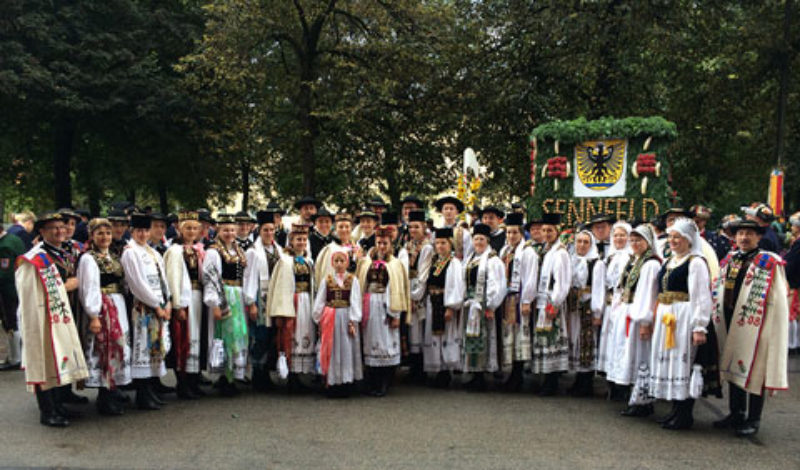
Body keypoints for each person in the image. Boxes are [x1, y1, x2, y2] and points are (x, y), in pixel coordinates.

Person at [711, 218, 789, 437]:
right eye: (740, 234)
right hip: (729, 319)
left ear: (758, 237)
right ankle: (736, 412)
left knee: (756, 372)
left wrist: (772, 327)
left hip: (758, 324)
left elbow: (779, 299)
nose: (744, 238)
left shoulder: (769, 262)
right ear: (735, 237)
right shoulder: (729, 259)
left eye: (749, 234)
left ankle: (754, 418)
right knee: (733, 366)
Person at [15, 212, 89, 426]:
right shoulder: (34, 259)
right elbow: (30, 293)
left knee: (61, 357)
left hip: (61, 314)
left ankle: (61, 401)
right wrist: (67, 286)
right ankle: (47, 411)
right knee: (44, 361)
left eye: (61, 227)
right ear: (42, 232)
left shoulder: (63, 251)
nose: (59, 231)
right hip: (41, 317)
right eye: (53, 228)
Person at [648, 217, 712, 430]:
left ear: (689, 239)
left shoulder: (695, 263)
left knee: (682, 362)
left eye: (678, 237)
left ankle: (685, 413)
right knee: (669, 361)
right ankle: (675, 410)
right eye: (671, 237)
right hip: (667, 315)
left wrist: (699, 326)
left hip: (683, 315)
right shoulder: (669, 261)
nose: (673, 241)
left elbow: (701, 296)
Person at [77, 218, 132, 415]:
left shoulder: (114, 256)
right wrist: (93, 315)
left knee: (118, 345)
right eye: (100, 233)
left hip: (118, 305)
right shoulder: (89, 259)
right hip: (102, 306)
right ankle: (104, 395)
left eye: (107, 233)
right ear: (92, 236)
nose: (105, 237)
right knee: (104, 347)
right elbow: (89, 288)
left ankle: (113, 388)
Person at [120, 212, 172, 410]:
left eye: (145, 230)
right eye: (139, 231)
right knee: (143, 349)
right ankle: (142, 393)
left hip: (159, 306)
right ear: (132, 231)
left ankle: (151, 389)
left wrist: (168, 301)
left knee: (155, 348)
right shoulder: (130, 252)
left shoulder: (153, 252)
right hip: (144, 308)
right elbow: (137, 284)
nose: (143, 234)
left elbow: (163, 279)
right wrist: (156, 305)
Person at [608, 225, 661, 417]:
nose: (635, 244)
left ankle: (643, 401)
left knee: (641, 358)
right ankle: (635, 398)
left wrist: (646, 322)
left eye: (639, 240)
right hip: (628, 313)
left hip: (639, 317)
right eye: (633, 240)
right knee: (630, 356)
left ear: (648, 242)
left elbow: (649, 295)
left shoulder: (650, 264)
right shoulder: (634, 260)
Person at [355, 225, 410, 397]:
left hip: (387, 308)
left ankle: (385, 381)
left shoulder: (395, 265)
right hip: (369, 306)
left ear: (390, 243)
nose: (382, 246)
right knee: (370, 343)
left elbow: (398, 290)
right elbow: (359, 285)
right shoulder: (365, 262)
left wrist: (396, 314)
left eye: (385, 243)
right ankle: (372, 380)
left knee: (386, 345)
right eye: (379, 243)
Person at [266, 223, 317, 392]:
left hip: (306, 303)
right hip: (292, 303)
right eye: (298, 239)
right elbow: (280, 287)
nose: (301, 242)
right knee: (291, 337)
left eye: (304, 239)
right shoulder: (285, 261)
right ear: (291, 241)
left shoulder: (309, 260)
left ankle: (300, 375)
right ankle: (292, 378)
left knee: (305, 336)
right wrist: (281, 310)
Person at [202, 213, 249, 396]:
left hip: (237, 295)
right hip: (225, 295)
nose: (229, 233)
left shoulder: (238, 250)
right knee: (224, 336)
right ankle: (224, 377)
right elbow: (211, 279)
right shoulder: (214, 252)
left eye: (231, 229)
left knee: (237, 337)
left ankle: (232, 375)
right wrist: (215, 304)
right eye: (225, 230)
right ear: (218, 231)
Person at [163, 211, 207, 399]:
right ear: (180, 229)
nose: (191, 231)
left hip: (199, 297)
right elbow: (173, 278)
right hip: (186, 298)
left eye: (195, 228)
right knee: (184, 338)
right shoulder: (175, 251)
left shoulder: (199, 249)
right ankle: (183, 382)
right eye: (188, 228)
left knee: (197, 337)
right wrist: (178, 305)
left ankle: (194, 379)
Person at [312, 248, 363, 397]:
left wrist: (353, 320)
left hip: (346, 317)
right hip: (330, 319)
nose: (339, 264)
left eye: (342, 261)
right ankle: (332, 382)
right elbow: (320, 300)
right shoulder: (326, 280)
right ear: (332, 263)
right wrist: (319, 318)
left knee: (346, 349)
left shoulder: (353, 280)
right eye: (336, 261)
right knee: (332, 349)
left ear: (347, 263)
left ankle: (346, 382)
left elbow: (355, 301)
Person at [461, 223, 506, 391]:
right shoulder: (471, 258)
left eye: (481, 239)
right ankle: (475, 374)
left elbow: (498, 285)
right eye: (476, 239)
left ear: (487, 241)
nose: (478, 242)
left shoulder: (493, 260)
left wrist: (491, 305)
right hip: (470, 303)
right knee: (472, 340)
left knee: (483, 339)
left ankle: (482, 376)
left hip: (483, 304)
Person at [243, 210, 283, 392]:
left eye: (272, 230)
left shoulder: (278, 249)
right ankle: (258, 374)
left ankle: (266, 371)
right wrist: (250, 302)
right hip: (260, 297)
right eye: (266, 230)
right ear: (260, 231)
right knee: (259, 336)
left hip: (274, 297)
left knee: (270, 336)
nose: (269, 233)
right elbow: (249, 278)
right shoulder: (253, 252)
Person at [497, 213, 538, 392]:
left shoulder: (527, 252)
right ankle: (512, 372)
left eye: (514, 232)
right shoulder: (505, 251)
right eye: (508, 233)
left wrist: (527, 300)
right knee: (509, 336)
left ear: (521, 233)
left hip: (519, 298)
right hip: (507, 298)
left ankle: (518, 374)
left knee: (521, 336)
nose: (511, 236)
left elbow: (530, 277)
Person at [532, 213, 571, 396]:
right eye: (544, 230)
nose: (546, 233)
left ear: (558, 231)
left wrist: (554, 304)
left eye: (550, 230)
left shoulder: (561, 253)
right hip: (543, 299)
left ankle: (552, 380)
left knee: (552, 340)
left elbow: (562, 282)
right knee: (545, 339)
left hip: (551, 302)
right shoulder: (546, 250)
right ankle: (546, 378)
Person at [422, 227, 465, 388]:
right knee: (434, 337)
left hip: (444, 303)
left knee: (446, 336)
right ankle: (438, 368)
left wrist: (451, 307)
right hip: (432, 302)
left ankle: (446, 371)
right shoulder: (435, 261)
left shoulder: (453, 263)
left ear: (450, 244)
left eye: (443, 243)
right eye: (438, 243)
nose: (440, 246)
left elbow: (456, 286)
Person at [566, 229, 605, 397]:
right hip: (574, 306)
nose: (581, 245)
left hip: (588, 305)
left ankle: (586, 380)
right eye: (579, 242)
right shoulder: (572, 260)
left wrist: (597, 312)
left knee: (587, 341)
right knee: (576, 339)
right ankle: (578, 378)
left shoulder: (597, 263)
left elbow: (599, 289)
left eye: (585, 242)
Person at [597, 220, 632, 398]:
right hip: (610, 304)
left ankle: (622, 385)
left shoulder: (630, 258)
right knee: (609, 341)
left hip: (622, 304)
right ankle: (611, 381)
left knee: (620, 343)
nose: (619, 238)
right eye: (616, 235)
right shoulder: (609, 256)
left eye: (622, 235)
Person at [0, 226, 25, 370]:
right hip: (15, 287)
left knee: (10, 322)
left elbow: (4, 271)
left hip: (7, 289)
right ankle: (16, 356)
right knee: (13, 320)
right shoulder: (14, 240)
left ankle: (16, 358)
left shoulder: (5, 245)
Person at [434, 195, 473, 260]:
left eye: (451, 209)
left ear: (457, 212)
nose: (448, 211)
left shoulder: (464, 233)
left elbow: (468, 254)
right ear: (441, 211)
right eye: (446, 209)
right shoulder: (436, 233)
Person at [786, 212, 800, 352]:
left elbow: (792, 263)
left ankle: (792, 344)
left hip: (794, 281)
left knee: (791, 314)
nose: (792, 227)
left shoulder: (798, 243)